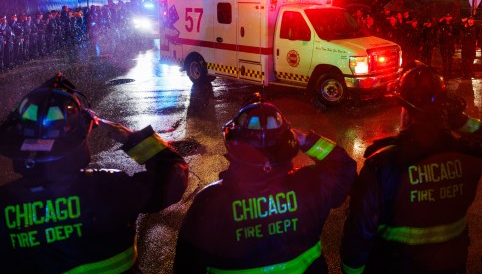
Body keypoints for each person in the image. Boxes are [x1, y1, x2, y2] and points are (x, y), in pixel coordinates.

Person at [0, 73, 189, 273]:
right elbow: (173, 176)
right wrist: (133, 139)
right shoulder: (111, 188)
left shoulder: (3, 203)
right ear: (78, 141)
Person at [340, 66, 482, 274]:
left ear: (404, 111)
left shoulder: (381, 164)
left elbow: (359, 234)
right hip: (450, 266)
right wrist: (459, 120)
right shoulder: (464, 153)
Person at [174, 94, 356, 273]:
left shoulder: (208, 203)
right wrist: (304, 139)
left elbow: (187, 266)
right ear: (289, 145)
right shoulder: (312, 185)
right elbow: (344, 168)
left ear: (232, 144)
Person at [437, 13, 457, 78]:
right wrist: (443, 18)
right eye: (447, 17)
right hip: (443, 44)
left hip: (450, 45)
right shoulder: (442, 25)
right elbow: (437, 24)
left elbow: (456, 34)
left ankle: (449, 73)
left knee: (450, 59)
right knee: (444, 60)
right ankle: (445, 73)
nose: (448, 18)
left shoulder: (453, 25)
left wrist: (455, 43)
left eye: (449, 17)